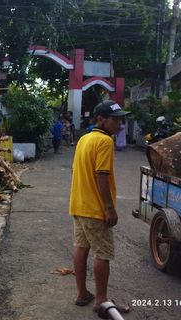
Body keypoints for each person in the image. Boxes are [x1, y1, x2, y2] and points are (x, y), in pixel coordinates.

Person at [69, 100, 130, 314]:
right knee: (102, 254)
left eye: (121, 120)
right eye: (115, 119)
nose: (119, 124)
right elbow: (101, 175)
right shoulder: (104, 141)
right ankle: (101, 300)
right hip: (95, 209)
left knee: (81, 247)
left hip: (78, 205)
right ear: (100, 120)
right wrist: (109, 208)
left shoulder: (83, 139)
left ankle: (81, 293)